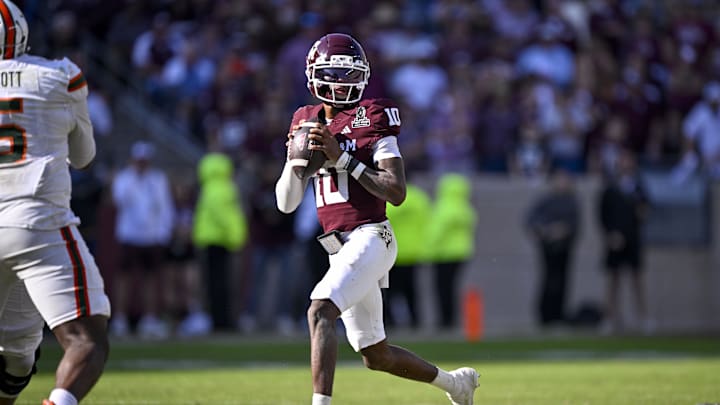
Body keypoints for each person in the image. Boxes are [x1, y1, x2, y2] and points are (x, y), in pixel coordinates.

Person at [275, 33, 479, 405]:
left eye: (347, 73)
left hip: (372, 237)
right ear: (314, 75)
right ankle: (456, 385)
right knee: (375, 355)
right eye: (333, 72)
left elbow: (396, 191)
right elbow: (286, 204)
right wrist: (294, 164)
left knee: (320, 309)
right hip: (338, 248)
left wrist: (342, 159)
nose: (340, 82)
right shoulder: (305, 120)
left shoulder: (374, 115)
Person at [0, 2, 111, 404]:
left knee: (14, 357)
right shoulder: (59, 75)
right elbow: (83, 157)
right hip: (36, 221)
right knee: (86, 341)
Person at [110, 141, 175, 339]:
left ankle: (150, 318)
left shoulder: (158, 179)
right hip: (129, 235)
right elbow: (120, 200)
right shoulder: (124, 179)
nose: (142, 164)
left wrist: (164, 232)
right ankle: (120, 318)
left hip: (151, 236)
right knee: (125, 278)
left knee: (150, 278)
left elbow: (165, 206)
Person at [192, 152, 247, 332]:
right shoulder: (224, 188)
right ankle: (222, 322)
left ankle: (217, 320)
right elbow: (226, 217)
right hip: (221, 241)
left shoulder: (208, 188)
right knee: (222, 285)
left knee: (213, 284)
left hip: (208, 240)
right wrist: (237, 237)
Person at [598, 149, 651, 335]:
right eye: (622, 160)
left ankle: (643, 319)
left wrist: (641, 212)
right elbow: (602, 215)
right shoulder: (610, 187)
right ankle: (609, 318)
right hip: (614, 241)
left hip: (633, 239)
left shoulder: (638, 186)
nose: (625, 164)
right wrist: (611, 235)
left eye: (628, 160)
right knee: (613, 280)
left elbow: (645, 210)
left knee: (637, 279)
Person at [525, 169, 580, 327]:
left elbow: (574, 225)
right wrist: (544, 230)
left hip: (564, 247)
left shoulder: (572, 202)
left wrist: (562, 230)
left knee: (562, 280)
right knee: (548, 279)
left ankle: (559, 313)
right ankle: (545, 314)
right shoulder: (546, 200)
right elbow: (531, 219)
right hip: (547, 248)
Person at [426, 173, 478, 330]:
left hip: (444, 254)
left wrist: (428, 249)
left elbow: (436, 233)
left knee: (442, 288)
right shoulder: (466, 209)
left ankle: (445, 320)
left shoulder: (445, 208)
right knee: (451, 287)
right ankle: (451, 318)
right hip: (462, 252)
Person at [384, 179, 433, 330]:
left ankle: (390, 321)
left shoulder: (388, 197)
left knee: (389, 290)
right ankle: (415, 321)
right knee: (411, 290)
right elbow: (429, 222)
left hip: (392, 251)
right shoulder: (420, 198)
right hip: (414, 251)